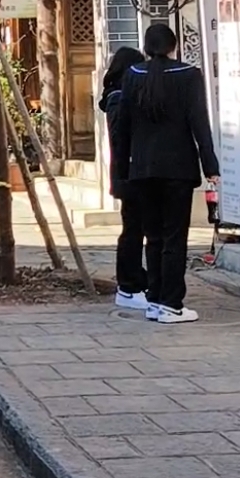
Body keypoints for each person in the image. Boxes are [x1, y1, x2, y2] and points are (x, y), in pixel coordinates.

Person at [112, 23, 220, 325]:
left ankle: (155, 300)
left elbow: (123, 127)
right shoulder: (188, 75)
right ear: (174, 47)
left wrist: (123, 169)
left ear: (147, 48)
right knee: (175, 237)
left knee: (154, 237)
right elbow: (200, 125)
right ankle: (172, 303)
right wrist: (211, 167)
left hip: (142, 169)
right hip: (178, 170)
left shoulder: (134, 76)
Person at [98, 46, 147, 310]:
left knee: (137, 228)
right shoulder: (118, 97)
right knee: (132, 230)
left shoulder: (122, 95)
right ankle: (128, 284)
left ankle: (136, 278)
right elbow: (120, 138)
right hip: (128, 173)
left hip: (132, 172)